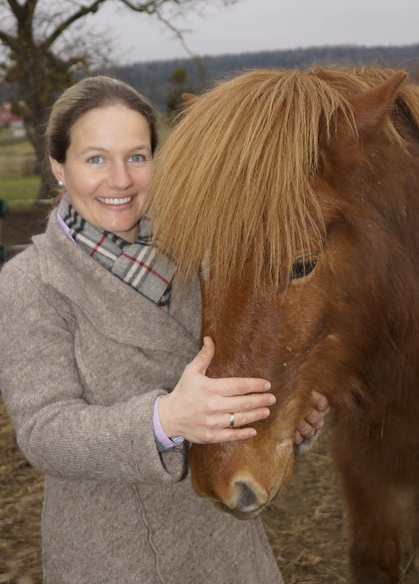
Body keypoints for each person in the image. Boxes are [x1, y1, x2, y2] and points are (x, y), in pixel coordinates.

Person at [0, 76, 329, 584]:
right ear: (58, 167)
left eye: (137, 156)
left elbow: (245, 365)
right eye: (95, 159)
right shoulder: (31, 283)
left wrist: (290, 419)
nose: (121, 180)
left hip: (233, 554)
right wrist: (165, 419)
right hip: (118, 558)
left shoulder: (203, 252)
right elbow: (44, 432)